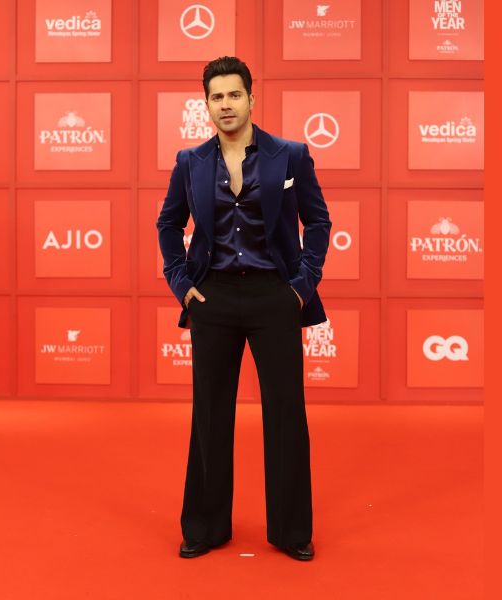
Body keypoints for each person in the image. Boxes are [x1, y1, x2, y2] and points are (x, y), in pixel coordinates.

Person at [156, 56, 331, 561]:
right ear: (206, 104)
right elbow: (168, 224)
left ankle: (292, 531)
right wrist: (181, 284)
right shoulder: (190, 162)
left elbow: (319, 222)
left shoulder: (290, 156)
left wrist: (301, 286)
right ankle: (205, 527)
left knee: (286, 414)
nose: (226, 104)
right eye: (216, 97)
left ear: (251, 98)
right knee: (210, 414)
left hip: (275, 296)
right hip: (212, 298)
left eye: (234, 94)